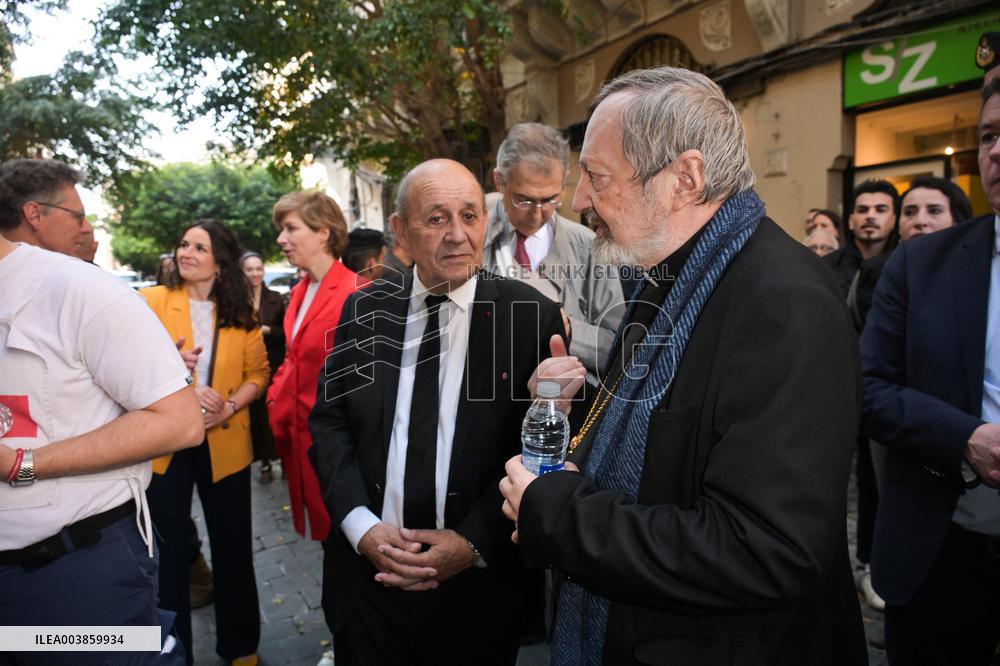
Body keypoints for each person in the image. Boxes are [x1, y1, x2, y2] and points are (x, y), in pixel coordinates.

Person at [499, 66, 867, 666]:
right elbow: (666, 449)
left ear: (685, 178)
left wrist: (558, 513)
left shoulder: (785, 303)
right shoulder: (668, 275)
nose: (581, 201)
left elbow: (764, 552)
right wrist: (584, 415)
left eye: (596, 176)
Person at [310, 158, 566, 666]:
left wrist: (471, 542)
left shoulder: (529, 316)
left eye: (469, 216)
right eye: (436, 218)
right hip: (369, 585)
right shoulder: (364, 311)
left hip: (478, 592)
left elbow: (536, 452)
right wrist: (360, 527)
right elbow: (330, 423)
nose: (457, 235)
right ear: (401, 232)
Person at [0, 158, 202, 664]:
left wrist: (21, 465)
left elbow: (179, 421)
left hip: (73, 579)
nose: (88, 228)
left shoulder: (88, 289)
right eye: (78, 215)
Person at [860, 77, 1000, 666]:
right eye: (989, 135)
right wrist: (964, 437)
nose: (996, 152)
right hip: (940, 555)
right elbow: (866, 388)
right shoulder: (922, 264)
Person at [141, 220, 270, 665]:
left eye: (200, 247)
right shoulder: (151, 301)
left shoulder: (239, 311)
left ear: (220, 261)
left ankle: (242, 648)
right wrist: (178, 379)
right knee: (169, 555)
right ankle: (177, 651)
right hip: (165, 446)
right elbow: (129, 368)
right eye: (183, 244)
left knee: (234, 549)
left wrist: (230, 407)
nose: (187, 253)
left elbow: (259, 375)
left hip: (225, 442)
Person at [484, 122, 624, 386]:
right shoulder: (472, 243)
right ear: (499, 182)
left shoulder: (589, 247)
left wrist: (568, 328)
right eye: (524, 200)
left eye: (549, 200)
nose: (537, 214)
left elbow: (620, 350)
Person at [266, 190, 356, 542]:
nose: (281, 239)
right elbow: (293, 357)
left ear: (324, 232)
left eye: (290, 228)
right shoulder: (301, 290)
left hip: (336, 448)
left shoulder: (355, 291)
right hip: (300, 440)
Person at [241, 251, 286, 484]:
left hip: (274, 362)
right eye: (250, 269)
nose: (255, 273)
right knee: (257, 417)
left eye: (259, 269)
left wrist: (268, 330)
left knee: (276, 413)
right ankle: (265, 462)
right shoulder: (235, 300)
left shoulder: (277, 298)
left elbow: (286, 332)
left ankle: (283, 459)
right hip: (246, 367)